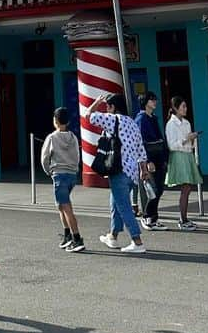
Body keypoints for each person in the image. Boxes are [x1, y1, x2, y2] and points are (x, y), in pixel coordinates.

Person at [88, 93, 152, 252]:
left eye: (108, 107)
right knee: (115, 202)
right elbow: (141, 149)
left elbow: (89, 115)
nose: (106, 110)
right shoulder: (132, 123)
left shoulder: (112, 119)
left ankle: (137, 242)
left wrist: (96, 102)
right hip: (132, 172)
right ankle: (113, 236)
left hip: (118, 169)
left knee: (123, 206)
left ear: (113, 107)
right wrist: (143, 169)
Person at [41, 107, 84, 251]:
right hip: (71, 175)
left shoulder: (52, 138)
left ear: (55, 121)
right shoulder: (73, 137)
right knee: (61, 205)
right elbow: (77, 155)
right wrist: (75, 169)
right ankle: (67, 235)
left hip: (59, 174)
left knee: (66, 207)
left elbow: (45, 157)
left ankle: (77, 238)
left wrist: (48, 171)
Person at [164, 96, 202, 231]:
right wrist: (187, 139)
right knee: (186, 187)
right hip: (179, 156)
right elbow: (172, 145)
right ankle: (182, 219)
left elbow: (188, 142)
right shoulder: (171, 124)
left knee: (188, 187)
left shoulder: (186, 122)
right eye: (183, 106)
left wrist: (191, 139)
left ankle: (184, 218)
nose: (185, 109)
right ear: (176, 108)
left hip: (187, 154)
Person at [136, 93, 168, 230]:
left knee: (159, 189)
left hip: (158, 156)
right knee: (153, 189)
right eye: (152, 99)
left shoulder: (153, 118)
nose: (155, 102)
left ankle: (153, 218)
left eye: (155, 99)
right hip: (150, 157)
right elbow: (140, 141)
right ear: (145, 102)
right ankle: (147, 217)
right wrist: (147, 160)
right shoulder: (141, 119)